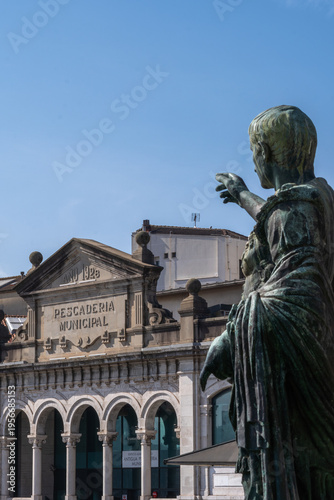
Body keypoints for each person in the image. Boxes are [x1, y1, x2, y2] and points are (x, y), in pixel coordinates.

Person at [200, 105, 334, 499]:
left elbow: (300, 292)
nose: (254, 158)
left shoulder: (298, 208)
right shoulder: (316, 200)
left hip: (297, 373)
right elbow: (279, 221)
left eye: (254, 149)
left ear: (267, 153)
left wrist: (232, 334)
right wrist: (243, 196)